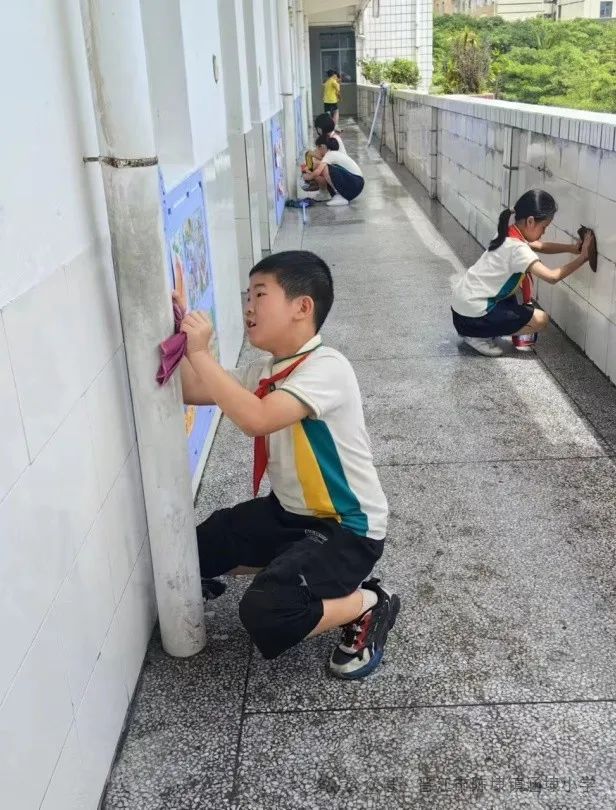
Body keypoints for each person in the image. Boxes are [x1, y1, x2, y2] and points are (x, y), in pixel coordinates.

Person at [177, 251, 399, 680]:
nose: (248, 306)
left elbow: (255, 418)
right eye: (248, 295)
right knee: (196, 549)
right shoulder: (266, 370)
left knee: (266, 609)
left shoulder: (327, 367)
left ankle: (370, 602)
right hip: (290, 514)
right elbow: (191, 388)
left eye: (261, 294)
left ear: (302, 307)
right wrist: (175, 329)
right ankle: (294, 562)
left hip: (347, 528)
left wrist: (201, 351)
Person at [451, 189, 595, 356]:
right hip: (470, 317)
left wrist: (572, 249)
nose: (544, 232)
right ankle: (477, 336)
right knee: (541, 319)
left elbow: (539, 246)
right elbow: (552, 277)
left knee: (512, 299)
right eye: (544, 227)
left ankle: (478, 329)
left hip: (461, 309)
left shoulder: (508, 231)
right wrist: (583, 257)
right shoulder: (517, 249)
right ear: (531, 221)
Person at [302, 136, 364, 207]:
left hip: (355, 183)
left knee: (323, 168)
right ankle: (325, 193)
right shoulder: (334, 154)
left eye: (317, 149)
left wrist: (308, 177)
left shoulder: (329, 155)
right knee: (318, 166)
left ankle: (340, 195)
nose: (317, 151)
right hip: (356, 184)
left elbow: (318, 171)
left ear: (322, 147)